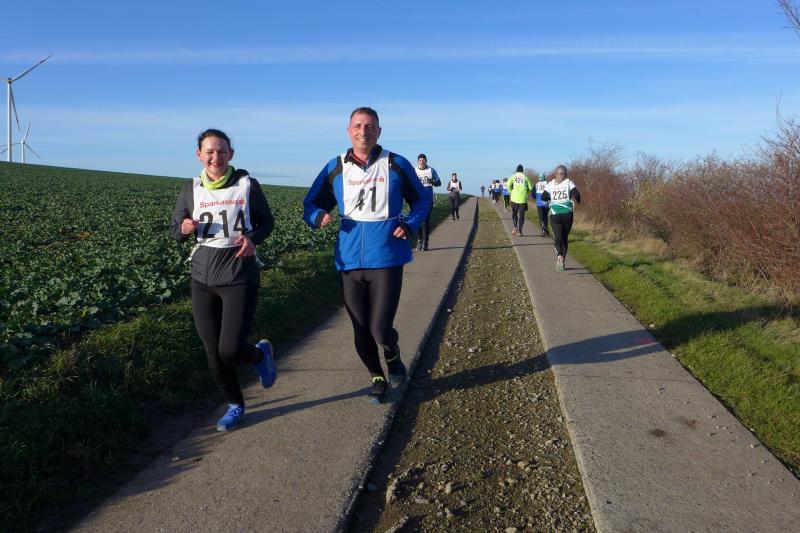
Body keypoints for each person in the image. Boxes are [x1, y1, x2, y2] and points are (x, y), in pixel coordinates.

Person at [303, 107, 429, 401]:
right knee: (360, 328)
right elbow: (310, 203)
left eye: (370, 126)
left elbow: (422, 200)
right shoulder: (335, 167)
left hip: (386, 257)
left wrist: (410, 224)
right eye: (358, 126)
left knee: (380, 329)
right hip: (348, 259)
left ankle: (392, 353)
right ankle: (376, 376)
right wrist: (318, 216)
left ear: (379, 131)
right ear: (349, 131)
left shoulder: (395, 163)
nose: (364, 131)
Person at [171, 129, 277, 432]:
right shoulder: (191, 188)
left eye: (221, 151)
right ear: (199, 155)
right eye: (209, 151)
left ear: (231, 154)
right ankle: (235, 405)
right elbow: (175, 231)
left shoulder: (247, 185)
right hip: (202, 277)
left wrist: (253, 239)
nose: (215, 157)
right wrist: (184, 229)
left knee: (230, 349)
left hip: (239, 274)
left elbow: (267, 223)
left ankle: (260, 355)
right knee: (214, 354)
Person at [540, 165, 581, 271]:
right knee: (564, 239)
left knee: (558, 238)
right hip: (567, 214)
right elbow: (577, 194)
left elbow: (543, 197)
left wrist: (551, 198)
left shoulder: (550, 184)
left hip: (555, 214)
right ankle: (562, 261)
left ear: (556, 174)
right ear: (565, 174)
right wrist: (577, 200)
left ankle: (559, 255)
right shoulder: (569, 182)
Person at [414, 153, 441, 251]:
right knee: (418, 222)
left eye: (423, 160)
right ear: (418, 161)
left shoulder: (431, 170)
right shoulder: (414, 170)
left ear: (426, 161)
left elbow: (439, 183)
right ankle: (419, 240)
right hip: (417, 200)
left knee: (425, 222)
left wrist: (432, 182)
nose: (421, 162)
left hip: (428, 200)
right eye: (420, 160)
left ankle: (425, 243)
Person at [506, 164, 534, 236]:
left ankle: (515, 226)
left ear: (517, 170)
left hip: (514, 198)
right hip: (522, 199)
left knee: (514, 213)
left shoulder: (513, 176)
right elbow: (531, 187)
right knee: (521, 215)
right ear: (522, 170)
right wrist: (527, 192)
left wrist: (510, 191)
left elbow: (508, 185)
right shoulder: (525, 177)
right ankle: (520, 231)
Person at [534, 172, 550, 236]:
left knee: (541, 217)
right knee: (545, 217)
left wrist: (536, 197)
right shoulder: (548, 183)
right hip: (546, 203)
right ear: (544, 178)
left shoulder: (536, 184)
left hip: (539, 203)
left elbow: (533, 194)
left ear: (539, 178)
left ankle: (543, 231)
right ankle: (546, 230)